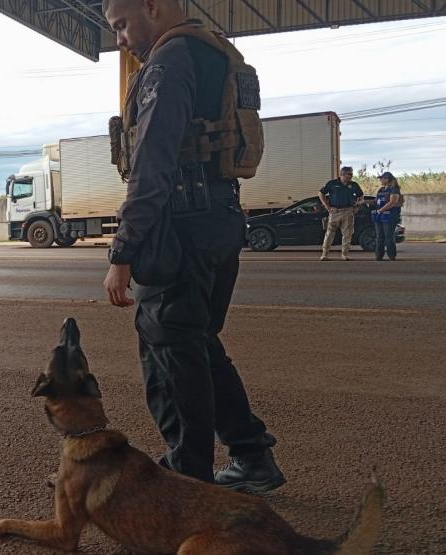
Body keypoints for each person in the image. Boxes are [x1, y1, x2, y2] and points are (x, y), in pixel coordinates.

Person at [102, 0, 285, 492]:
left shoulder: (169, 61)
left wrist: (123, 250)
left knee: (171, 356)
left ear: (153, 8)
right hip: (219, 217)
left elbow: (152, 162)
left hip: (178, 229)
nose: (120, 38)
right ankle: (251, 458)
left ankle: (189, 486)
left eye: (121, 25)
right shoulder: (213, 53)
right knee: (198, 345)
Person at [318, 167, 364, 261]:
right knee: (329, 233)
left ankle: (345, 254)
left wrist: (357, 206)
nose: (351, 176)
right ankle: (325, 254)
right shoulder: (332, 184)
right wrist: (327, 206)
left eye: (351, 174)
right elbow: (321, 193)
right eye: (349, 174)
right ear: (342, 174)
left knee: (347, 234)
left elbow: (361, 195)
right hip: (334, 211)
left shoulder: (354, 185)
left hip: (348, 211)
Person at [372, 172, 401, 261]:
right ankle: (379, 256)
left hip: (390, 216)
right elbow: (376, 201)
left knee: (389, 236)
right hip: (380, 216)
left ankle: (391, 255)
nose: (380, 180)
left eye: (382, 178)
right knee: (379, 236)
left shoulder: (394, 190)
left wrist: (381, 210)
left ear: (387, 179)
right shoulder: (381, 190)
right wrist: (364, 202)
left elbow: (393, 202)